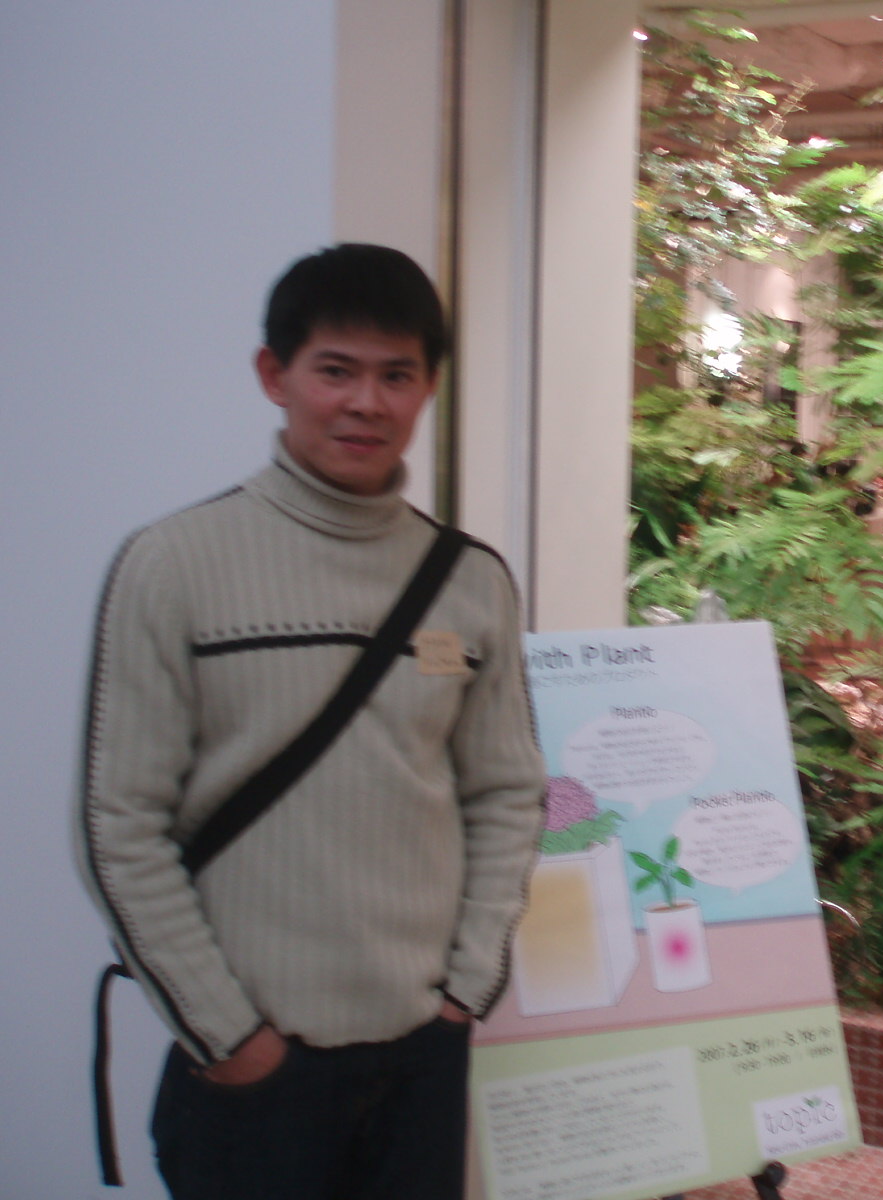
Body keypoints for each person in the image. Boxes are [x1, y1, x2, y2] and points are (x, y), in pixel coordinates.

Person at [77, 243, 547, 1199]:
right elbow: (118, 826)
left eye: (396, 375)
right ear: (274, 375)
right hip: (256, 1070)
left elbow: (506, 793)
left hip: (420, 1057)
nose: (365, 403)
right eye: (335, 370)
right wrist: (228, 1036)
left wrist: (466, 989)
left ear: (428, 388)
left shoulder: (470, 581)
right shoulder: (173, 565)